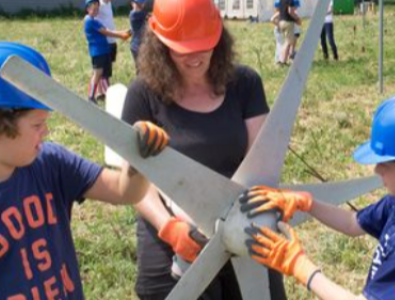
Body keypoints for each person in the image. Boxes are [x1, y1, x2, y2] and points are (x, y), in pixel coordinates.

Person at [0, 42, 169, 300]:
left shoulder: (50, 163)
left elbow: (124, 191)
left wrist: (140, 158)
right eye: (37, 124)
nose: (45, 132)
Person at [240, 91, 395, 300]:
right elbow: (353, 224)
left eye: (384, 164)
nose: (376, 169)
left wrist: (300, 266)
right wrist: (308, 203)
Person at [120, 0, 283, 298]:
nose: (194, 56)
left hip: (241, 221)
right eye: (181, 48)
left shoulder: (245, 83)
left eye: (204, 45)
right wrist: (168, 226)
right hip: (171, 232)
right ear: (159, 43)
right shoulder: (142, 94)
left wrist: (243, 220)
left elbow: (262, 162)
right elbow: (133, 179)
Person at [84, 0, 129, 104]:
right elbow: (107, 32)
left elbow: (108, 30)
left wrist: (124, 32)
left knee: (104, 75)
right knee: (98, 73)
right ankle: (91, 96)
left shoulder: (95, 21)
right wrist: (121, 35)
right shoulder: (90, 21)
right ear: (87, 9)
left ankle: (106, 95)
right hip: (98, 51)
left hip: (104, 50)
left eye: (97, 9)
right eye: (93, 9)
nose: (96, 11)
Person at [272, 0, 301, 65]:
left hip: (281, 22)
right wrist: (297, 19)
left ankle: (281, 59)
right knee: (287, 42)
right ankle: (282, 61)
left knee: (285, 42)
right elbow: (290, 11)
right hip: (288, 22)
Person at [97, 0, 119, 83]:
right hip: (104, 41)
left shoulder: (108, 3)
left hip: (112, 40)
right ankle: (102, 90)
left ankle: (104, 87)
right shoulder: (98, 4)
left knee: (108, 66)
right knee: (102, 69)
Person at [129, 0, 149, 68]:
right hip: (137, 46)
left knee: (142, 67)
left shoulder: (139, 14)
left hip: (137, 45)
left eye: (140, 4)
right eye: (137, 4)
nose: (138, 6)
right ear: (132, 4)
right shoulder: (135, 14)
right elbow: (150, 16)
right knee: (141, 67)